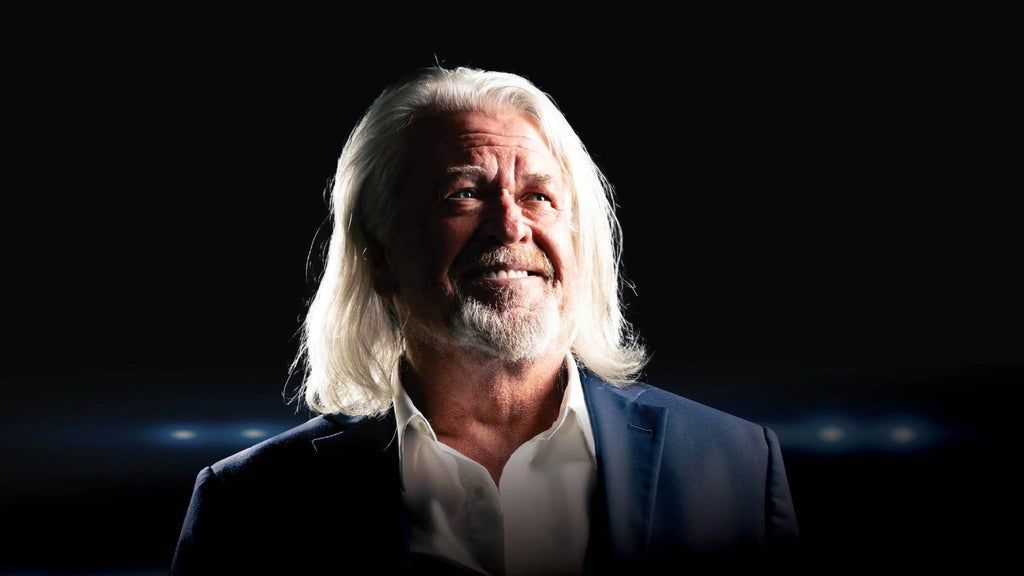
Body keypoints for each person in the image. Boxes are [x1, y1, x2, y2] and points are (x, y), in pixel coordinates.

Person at [170, 66, 800, 575]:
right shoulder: (249, 507)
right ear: (379, 255)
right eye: (464, 194)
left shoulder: (736, 466)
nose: (510, 226)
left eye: (538, 196)